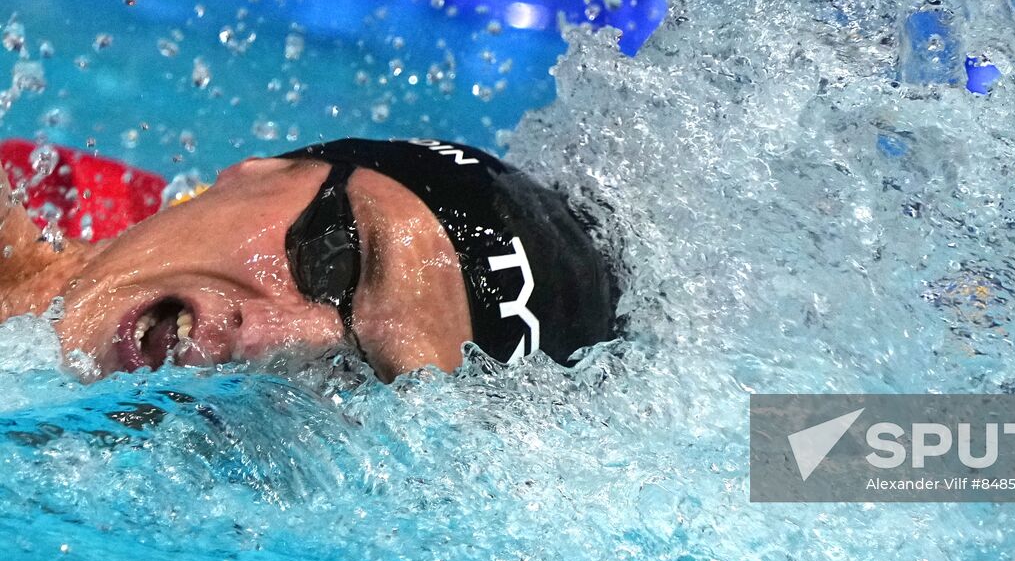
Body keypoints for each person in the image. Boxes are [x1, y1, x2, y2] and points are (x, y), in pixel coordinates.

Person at [0, 138, 619, 381]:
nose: (276, 341)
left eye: (355, 377)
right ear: (258, 170)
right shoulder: (59, 191)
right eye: (334, 262)